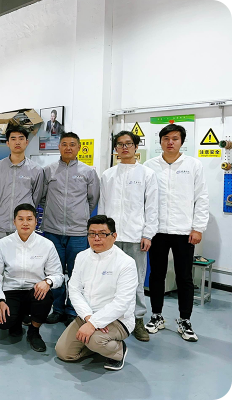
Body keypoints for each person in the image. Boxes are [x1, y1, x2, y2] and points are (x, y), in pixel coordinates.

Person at [143, 124, 209, 342]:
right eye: (166, 138)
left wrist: (198, 227)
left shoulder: (193, 165)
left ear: (182, 142)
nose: (170, 142)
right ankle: (156, 315)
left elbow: (201, 198)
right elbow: (144, 199)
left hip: (184, 231)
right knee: (156, 275)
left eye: (175, 138)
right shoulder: (150, 166)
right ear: (160, 141)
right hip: (157, 230)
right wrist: (146, 229)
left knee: (184, 277)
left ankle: (185, 320)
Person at [55, 215, 137, 371]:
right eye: (92, 234)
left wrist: (94, 323)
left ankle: (119, 351)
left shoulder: (126, 263)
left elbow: (122, 303)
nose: (96, 238)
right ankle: (97, 345)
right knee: (64, 353)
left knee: (95, 340)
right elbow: (74, 289)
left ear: (114, 236)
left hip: (117, 319)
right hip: (87, 314)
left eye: (102, 234)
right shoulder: (82, 257)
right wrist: (88, 318)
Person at [98, 131, 158, 342]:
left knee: (136, 280)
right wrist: (101, 233)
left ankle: (138, 318)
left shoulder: (147, 174)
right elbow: (103, 206)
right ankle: (110, 316)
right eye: (120, 144)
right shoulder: (108, 175)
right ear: (115, 149)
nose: (124, 148)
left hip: (135, 236)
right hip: (111, 237)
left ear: (135, 147)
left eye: (128, 144)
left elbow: (152, 207)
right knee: (108, 278)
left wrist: (148, 234)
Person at [41, 132, 100, 326]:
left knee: (77, 273)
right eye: (64, 144)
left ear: (79, 147)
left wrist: (79, 215)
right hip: (52, 230)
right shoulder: (48, 171)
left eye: (72, 144)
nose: (68, 148)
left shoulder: (88, 172)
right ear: (59, 146)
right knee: (55, 272)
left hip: (78, 232)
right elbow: (42, 197)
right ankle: (57, 309)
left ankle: (74, 310)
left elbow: (92, 199)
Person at [0, 204, 64, 352]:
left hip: (34, 291)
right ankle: (16, 320)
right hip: (10, 290)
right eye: (21, 219)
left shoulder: (46, 245)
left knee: (46, 295)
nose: (25, 223)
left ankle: (34, 331)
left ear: (36, 222)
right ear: (14, 222)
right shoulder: (3, 244)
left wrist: (48, 282)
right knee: (3, 323)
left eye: (29, 219)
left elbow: (58, 275)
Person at [0, 125, 44, 243]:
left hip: (24, 226)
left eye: (21, 138)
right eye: (13, 139)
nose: (17, 142)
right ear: (7, 143)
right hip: (2, 224)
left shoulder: (36, 170)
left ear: (26, 142)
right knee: (2, 254)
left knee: (25, 254)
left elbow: (36, 198)